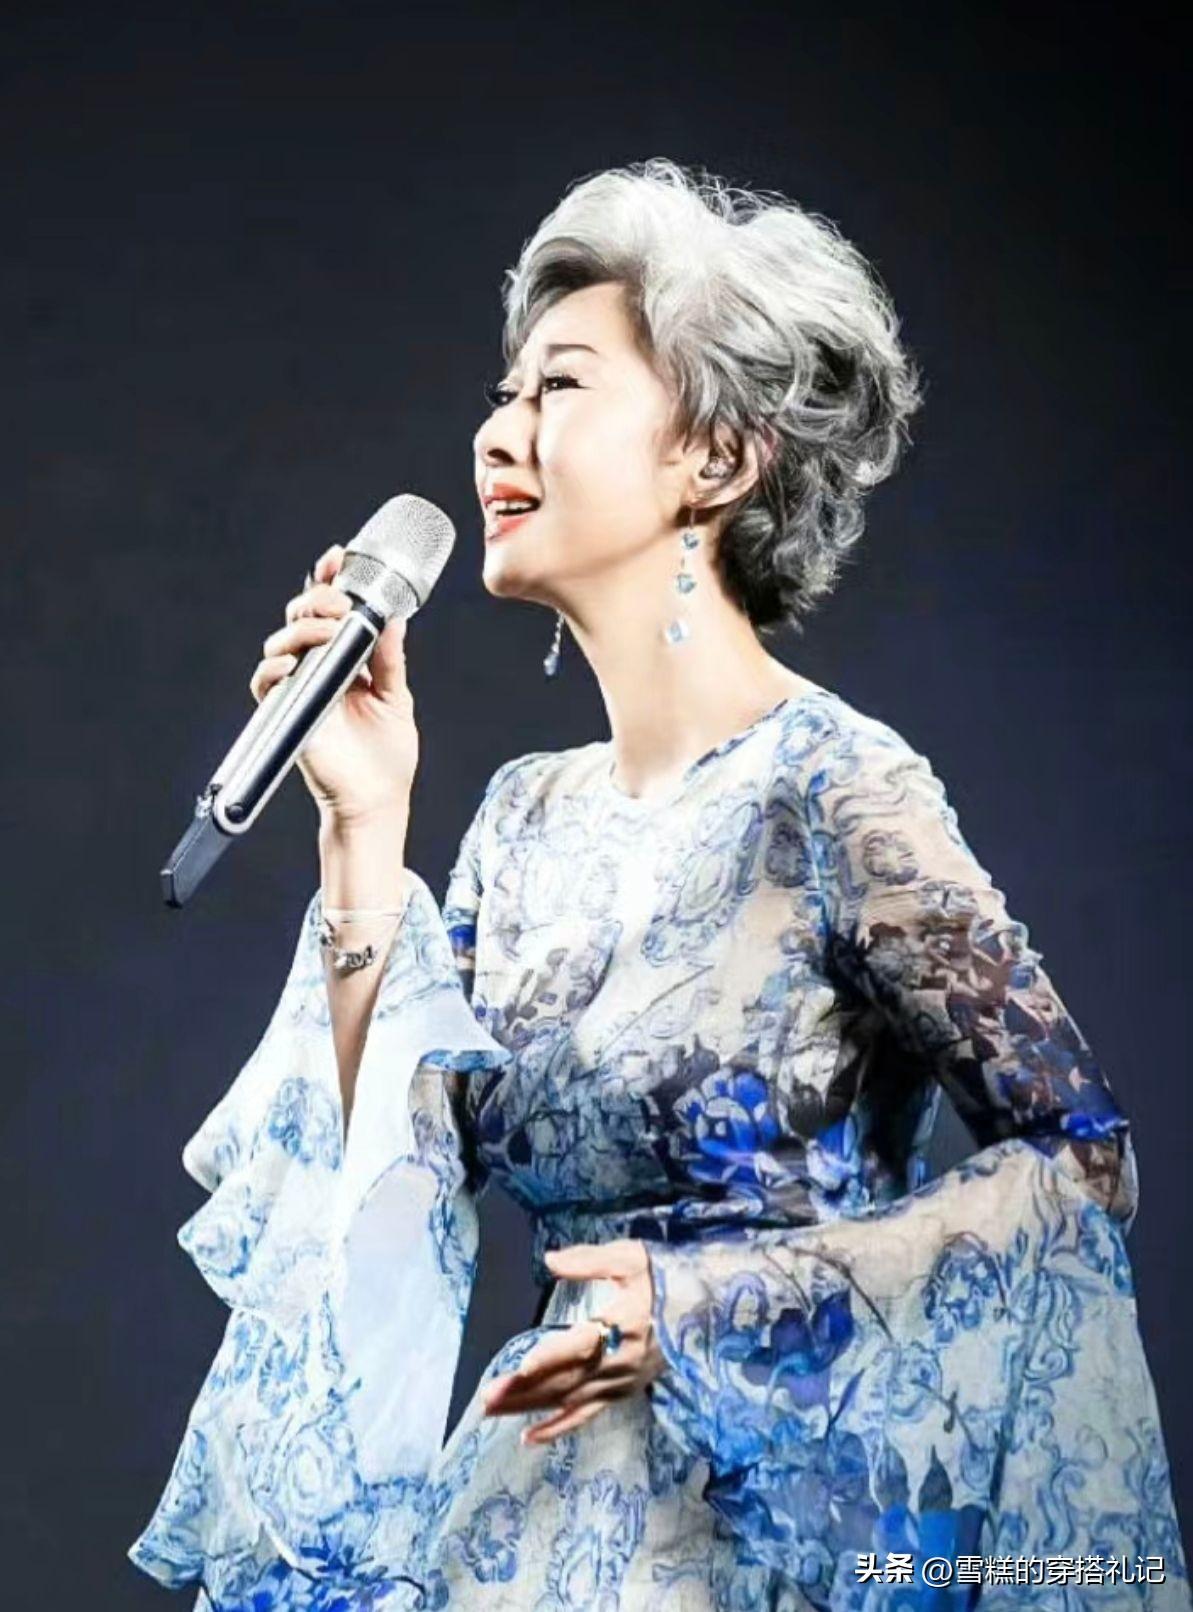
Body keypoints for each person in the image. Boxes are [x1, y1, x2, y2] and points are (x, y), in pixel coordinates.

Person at [129, 159, 1189, 1610]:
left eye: (558, 387)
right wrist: (365, 828)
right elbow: (398, 1185)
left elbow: (1083, 1166)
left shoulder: (836, 787)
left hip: (784, 1539)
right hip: (534, 1532)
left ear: (719, 459)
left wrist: (697, 1307)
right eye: (503, 393)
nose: (496, 432)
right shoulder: (521, 815)